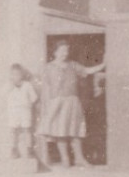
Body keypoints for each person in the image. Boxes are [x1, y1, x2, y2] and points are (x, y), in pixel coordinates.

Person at [37, 40, 105, 168]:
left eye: (66, 50)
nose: (65, 53)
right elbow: (45, 88)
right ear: (55, 52)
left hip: (72, 101)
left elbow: (88, 70)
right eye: (62, 50)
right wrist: (46, 105)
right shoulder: (48, 68)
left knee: (75, 130)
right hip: (56, 101)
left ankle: (79, 158)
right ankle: (65, 159)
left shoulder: (73, 65)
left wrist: (103, 64)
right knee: (60, 131)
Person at [7, 63, 38, 159]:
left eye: (18, 74)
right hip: (13, 111)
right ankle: (14, 149)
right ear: (10, 75)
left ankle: (29, 149)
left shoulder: (27, 85)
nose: (16, 76)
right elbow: (2, 94)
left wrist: (27, 104)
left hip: (25, 111)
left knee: (27, 130)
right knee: (13, 130)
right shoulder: (9, 86)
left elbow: (34, 98)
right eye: (13, 74)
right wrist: (10, 87)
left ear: (22, 75)